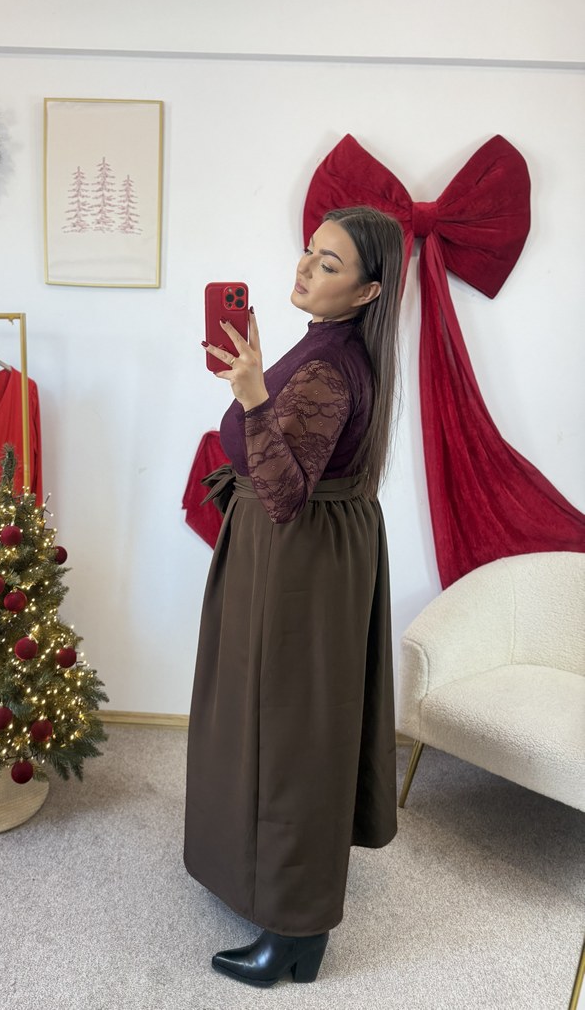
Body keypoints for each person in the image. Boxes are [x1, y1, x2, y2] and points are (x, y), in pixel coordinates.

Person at [185, 205, 404, 988]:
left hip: (298, 560)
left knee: (291, 734)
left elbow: (281, 493)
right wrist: (256, 378)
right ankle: (280, 893)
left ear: (368, 292)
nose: (306, 268)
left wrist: (252, 396)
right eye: (309, 252)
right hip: (301, 555)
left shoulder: (328, 366)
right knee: (286, 720)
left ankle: (295, 930)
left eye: (329, 263)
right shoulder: (324, 347)